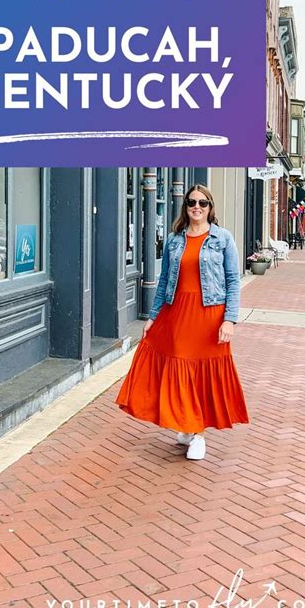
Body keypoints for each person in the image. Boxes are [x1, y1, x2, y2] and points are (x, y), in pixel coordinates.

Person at [116, 184, 249, 460]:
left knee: (201, 374)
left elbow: (234, 281)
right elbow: (164, 281)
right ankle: (188, 425)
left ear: (210, 207)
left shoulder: (222, 238)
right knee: (177, 368)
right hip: (177, 313)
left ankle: (198, 433)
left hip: (210, 314)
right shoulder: (175, 240)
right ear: (185, 207)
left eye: (202, 203)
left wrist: (230, 320)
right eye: (191, 202)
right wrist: (153, 317)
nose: (197, 207)